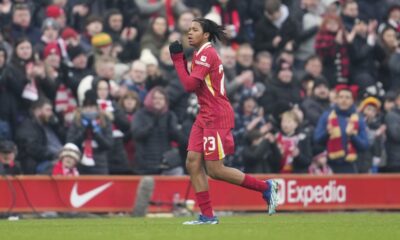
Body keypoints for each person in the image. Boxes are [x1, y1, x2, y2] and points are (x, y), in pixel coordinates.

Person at [169, 18, 278, 225]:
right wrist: (182, 60)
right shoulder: (199, 53)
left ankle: (266, 187)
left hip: (216, 115)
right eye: (189, 29)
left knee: (215, 170)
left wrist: (177, 60)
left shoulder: (207, 53)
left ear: (206, 35)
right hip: (205, 114)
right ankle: (208, 216)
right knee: (192, 162)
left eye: (195, 29)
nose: (189, 33)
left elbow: (190, 85)